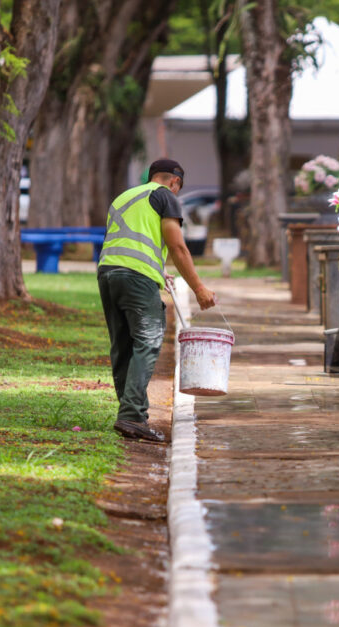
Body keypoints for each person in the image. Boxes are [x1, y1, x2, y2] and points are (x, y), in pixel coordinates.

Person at [97, 158, 216, 442]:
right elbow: (176, 245)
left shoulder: (124, 196)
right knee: (148, 340)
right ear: (174, 182)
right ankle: (132, 415)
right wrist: (199, 288)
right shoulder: (164, 196)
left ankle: (130, 415)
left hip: (108, 274)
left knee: (123, 344)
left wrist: (157, 269)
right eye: (178, 187)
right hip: (136, 278)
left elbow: (131, 239)